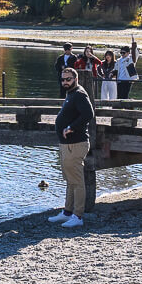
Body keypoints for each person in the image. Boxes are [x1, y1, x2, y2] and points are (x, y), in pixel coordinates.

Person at [48, 67, 94, 229]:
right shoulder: (71, 94)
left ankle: (78, 216)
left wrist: (71, 127)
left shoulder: (80, 94)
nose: (65, 82)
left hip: (76, 144)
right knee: (69, 180)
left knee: (77, 181)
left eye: (68, 79)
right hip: (67, 145)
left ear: (76, 79)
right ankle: (67, 212)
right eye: (63, 79)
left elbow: (89, 114)